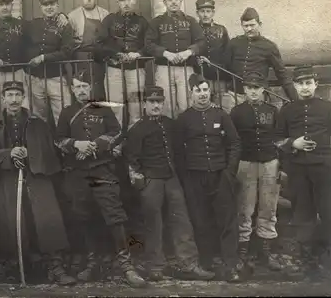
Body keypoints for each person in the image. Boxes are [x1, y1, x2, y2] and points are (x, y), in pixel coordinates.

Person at [0, 81, 76, 285]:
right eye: (9, 95)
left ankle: (54, 267)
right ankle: (17, 267)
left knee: (46, 220)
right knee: (13, 222)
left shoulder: (37, 122)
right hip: (9, 179)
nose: (13, 99)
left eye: (17, 95)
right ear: (3, 99)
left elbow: (48, 149)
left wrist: (32, 153)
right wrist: (8, 154)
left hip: (36, 177)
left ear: (23, 98)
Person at [55, 70, 146, 287]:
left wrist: (95, 145)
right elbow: (58, 139)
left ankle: (126, 266)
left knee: (114, 216)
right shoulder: (67, 113)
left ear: (91, 88)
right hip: (77, 173)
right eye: (77, 87)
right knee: (83, 216)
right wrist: (76, 145)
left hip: (102, 169)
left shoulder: (103, 110)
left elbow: (117, 133)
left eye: (85, 86)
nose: (81, 91)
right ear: (72, 89)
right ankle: (93, 263)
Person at [124, 85, 215, 281]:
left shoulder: (170, 124)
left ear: (163, 103)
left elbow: (178, 151)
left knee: (181, 219)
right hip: (151, 179)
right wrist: (140, 180)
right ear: (145, 104)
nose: (156, 105)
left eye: (159, 102)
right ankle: (155, 266)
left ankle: (188, 264)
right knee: (152, 222)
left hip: (172, 177)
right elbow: (132, 158)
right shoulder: (138, 129)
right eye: (152, 102)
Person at [275, 65, 331, 277]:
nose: (305, 87)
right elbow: (277, 140)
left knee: (330, 213)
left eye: (308, 83)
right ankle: (306, 261)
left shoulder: (328, 108)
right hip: (299, 172)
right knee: (303, 215)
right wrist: (293, 143)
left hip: (325, 171)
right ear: (295, 86)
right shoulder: (287, 110)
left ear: (315, 84)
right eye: (300, 83)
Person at [175, 74, 242, 282]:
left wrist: (229, 172)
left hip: (220, 175)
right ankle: (206, 263)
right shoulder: (184, 119)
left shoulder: (221, 115)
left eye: (205, 90)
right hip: (195, 177)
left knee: (227, 221)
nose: (203, 94)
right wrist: (186, 176)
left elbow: (235, 143)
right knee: (200, 220)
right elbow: (177, 151)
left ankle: (230, 266)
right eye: (198, 91)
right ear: (191, 93)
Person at [230, 72, 283, 272]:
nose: (253, 91)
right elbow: (233, 141)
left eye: (257, 88)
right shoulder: (236, 112)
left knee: (269, 207)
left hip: (270, 162)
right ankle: (242, 252)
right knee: (244, 207)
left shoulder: (272, 110)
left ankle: (265, 251)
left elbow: (280, 136)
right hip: (246, 163)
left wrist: (280, 161)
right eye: (249, 87)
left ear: (263, 89)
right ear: (244, 89)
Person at [145, 0, 206, 118]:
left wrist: (188, 52)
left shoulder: (191, 21)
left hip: (186, 68)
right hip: (164, 68)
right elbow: (148, 44)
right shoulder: (157, 22)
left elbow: (201, 42)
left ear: (181, 0)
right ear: (164, 2)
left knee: (187, 105)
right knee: (166, 106)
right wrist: (166, 53)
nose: (173, 2)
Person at [223, 7, 297, 113]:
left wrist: (295, 100)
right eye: (245, 26)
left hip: (258, 96)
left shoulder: (269, 46)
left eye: (252, 25)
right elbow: (225, 66)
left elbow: (282, 75)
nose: (249, 29)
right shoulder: (234, 43)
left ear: (259, 24)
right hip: (235, 95)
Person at [96, 0, 150, 128]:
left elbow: (150, 45)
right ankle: (116, 146)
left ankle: (135, 142)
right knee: (115, 106)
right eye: (122, 0)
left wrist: (138, 54)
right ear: (118, 2)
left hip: (136, 70)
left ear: (134, 0)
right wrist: (116, 53)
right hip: (114, 69)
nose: (126, 3)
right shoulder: (109, 20)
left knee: (136, 106)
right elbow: (99, 43)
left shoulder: (142, 21)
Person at [25, 0, 74, 127]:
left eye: (52, 3)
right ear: (41, 7)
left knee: (63, 114)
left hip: (56, 77)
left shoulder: (64, 25)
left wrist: (43, 57)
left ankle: (65, 146)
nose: (49, 7)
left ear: (57, 5)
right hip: (35, 78)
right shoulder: (32, 24)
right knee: (39, 117)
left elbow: (67, 51)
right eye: (45, 4)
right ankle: (43, 146)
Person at [68, 0, 110, 100]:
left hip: (100, 60)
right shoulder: (72, 16)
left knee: (99, 91)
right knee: (82, 93)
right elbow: (69, 42)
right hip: (81, 60)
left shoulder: (105, 14)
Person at [194, 0, 230, 106]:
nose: (205, 15)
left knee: (221, 105)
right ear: (197, 13)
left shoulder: (221, 29)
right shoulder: (194, 30)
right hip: (201, 75)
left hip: (219, 74)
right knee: (204, 104)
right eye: (202, 11)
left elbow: (227, 52)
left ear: (213, 13)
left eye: (208, 11)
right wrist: (196, 61)